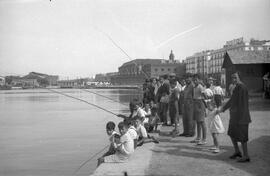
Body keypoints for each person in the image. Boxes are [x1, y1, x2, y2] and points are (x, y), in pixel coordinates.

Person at [218, 72, 251, 162]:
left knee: (243, 137)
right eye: (232, 78)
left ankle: (246, 156)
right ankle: (237, 151)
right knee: (232, 133)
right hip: (236, 116)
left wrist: (223, 108)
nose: (234, 80)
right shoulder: (238, 87)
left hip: (241, 117)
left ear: (239, 78)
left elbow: (233, 100)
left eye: (235, 78)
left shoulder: (241, 87)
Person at [191, 74, 207, 145]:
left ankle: (204, 139)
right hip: (195, 104)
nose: (195, 81)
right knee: (197, 122)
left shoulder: (200, 87)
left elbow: (205, 97)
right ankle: (198, 137)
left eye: (196, 80)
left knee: (202, 122)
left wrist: (204, 108)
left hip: (200, 104)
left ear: (199, 80)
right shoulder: (194, 87)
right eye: (194, 80)